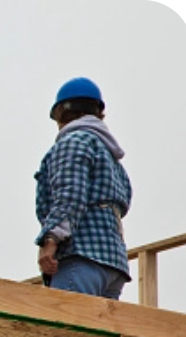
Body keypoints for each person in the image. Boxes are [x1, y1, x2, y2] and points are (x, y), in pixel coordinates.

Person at [34, 77, 132, 300]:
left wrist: (50, 241)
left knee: (67, 331)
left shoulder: (73, 142)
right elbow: (125, 202)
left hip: (81, 257)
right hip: (113, 263)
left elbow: (70, 195)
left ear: (62, 113)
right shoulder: (110, 155)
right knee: (97, 334)